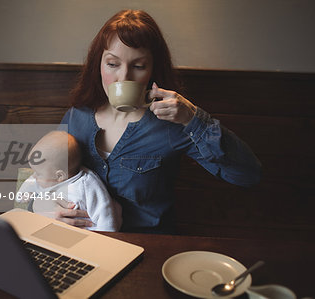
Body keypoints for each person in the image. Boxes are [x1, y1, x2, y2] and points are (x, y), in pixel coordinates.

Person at [58, 9, 262, 233]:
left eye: (138, 66)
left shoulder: (172, 124)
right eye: (112, 64)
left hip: (147, 247)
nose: (123, 77)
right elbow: (36, 182)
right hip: (83, 244)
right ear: (98, 64)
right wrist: (50, 210)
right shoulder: (77, 116)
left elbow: (248, 175)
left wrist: (193, 118)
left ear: (153, 70)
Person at [17, 131, 122, 232]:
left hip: (87, 234)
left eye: (38, 174)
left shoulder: (86, 184)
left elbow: (104, 211)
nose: (33, 176)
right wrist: (23, 194)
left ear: (60, 176)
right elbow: (31, 183)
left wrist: (108, 235)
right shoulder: (46, 176)